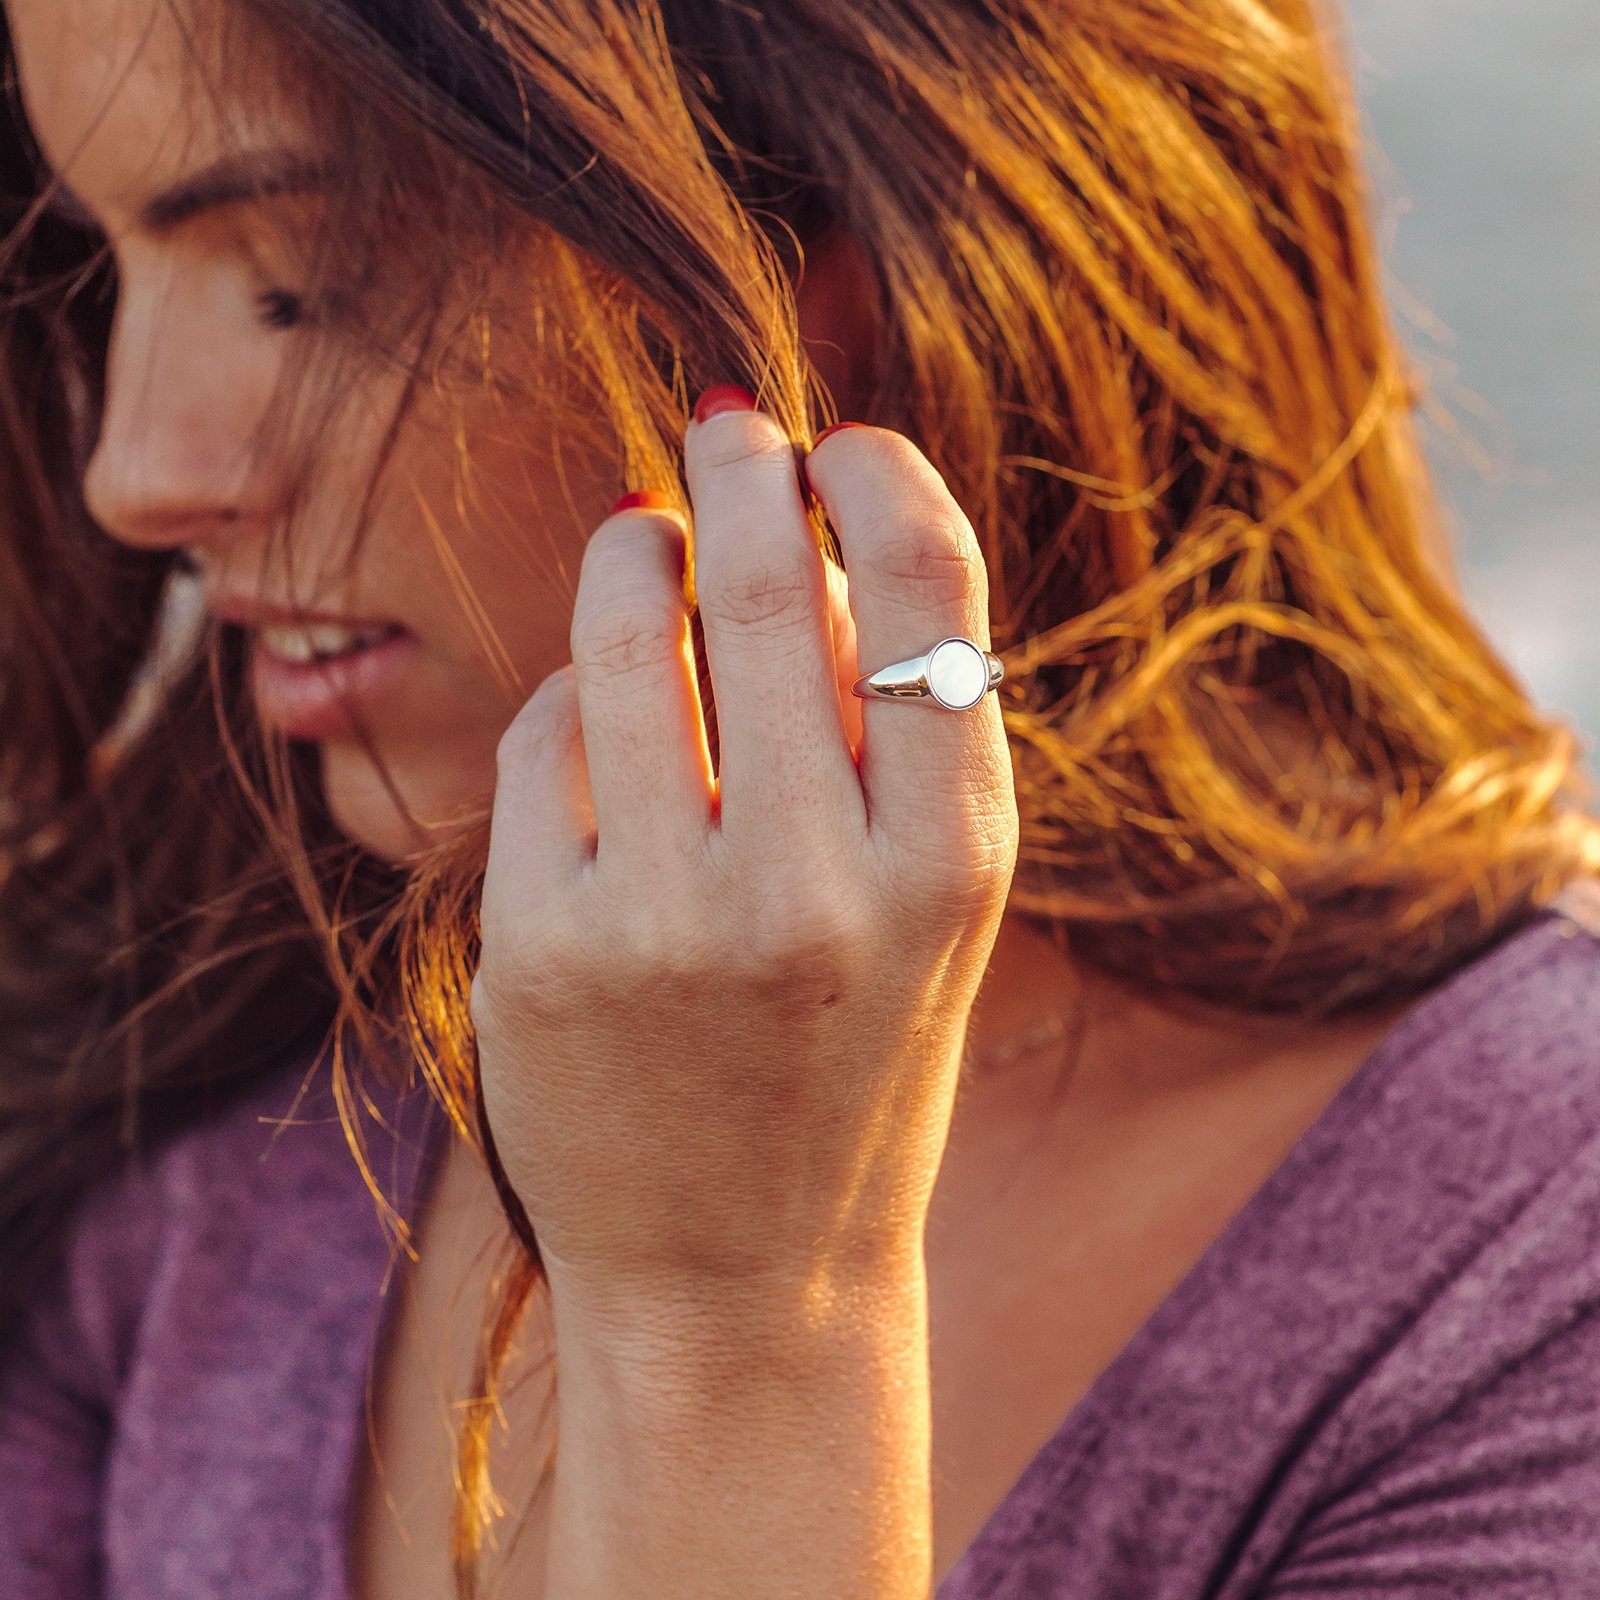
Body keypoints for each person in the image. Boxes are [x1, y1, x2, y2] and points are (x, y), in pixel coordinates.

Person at [2, 0, 1598, 1595]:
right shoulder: (185, 1077)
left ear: (851, 262)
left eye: (292, 290)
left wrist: (741, 1324)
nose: (134, 475)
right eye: (100, 267)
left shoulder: (1522, 1279)